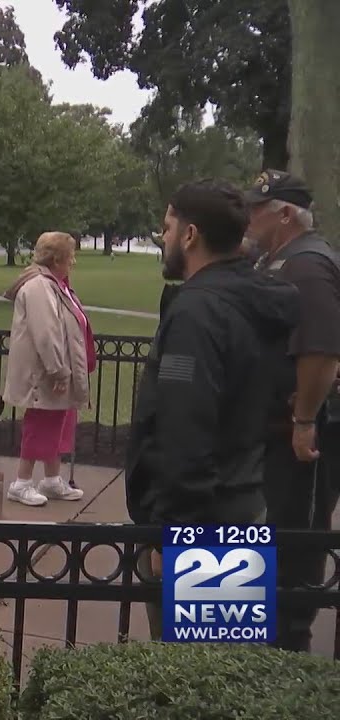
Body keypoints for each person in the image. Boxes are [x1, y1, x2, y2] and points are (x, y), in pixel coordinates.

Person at [125, 178, 298, 640]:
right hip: (243, 500)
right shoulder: (257, 299)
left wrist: (172, 530)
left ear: (190, 235)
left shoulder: (198, 314)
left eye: (166, 228)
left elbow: (186, 425)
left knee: (187, 673)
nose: (163, 239)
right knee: (219, 666)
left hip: (200, 526)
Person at [244, 169, 340, 652]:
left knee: (294, 537)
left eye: (255, 212)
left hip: (300, 435)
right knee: (278, 531)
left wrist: (304, 420)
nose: (248, 221)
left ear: (284, 215)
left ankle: (287, 645)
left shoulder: (306, 264)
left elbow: (322, 351)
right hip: (281, 428)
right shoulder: (282, 260)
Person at [0, 232, 95, 507]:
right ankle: (21, 483)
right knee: (41, 424)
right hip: (44, 373)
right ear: (56, 259)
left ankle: (52, 480)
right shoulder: (40, 287)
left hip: (55, 370)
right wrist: (58, 371)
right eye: (69, 257)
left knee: (58, 423)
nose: (73, 262)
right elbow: (47, 334)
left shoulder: (55, 284)